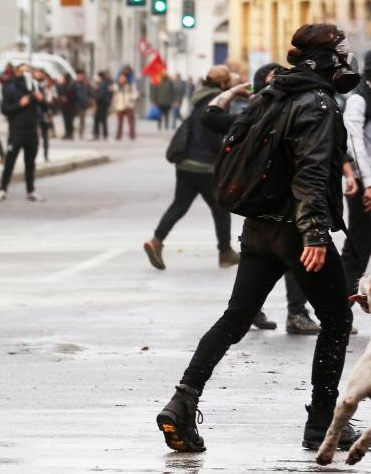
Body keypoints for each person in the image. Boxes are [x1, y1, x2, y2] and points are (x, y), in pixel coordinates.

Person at [156, 24, 361, 455]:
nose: (346, 61)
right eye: (340, 54)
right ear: (325, 61)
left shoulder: (272, 94)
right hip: (296, 230)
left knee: (235, 318)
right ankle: (323, 426)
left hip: (258, 227)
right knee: (338, 321)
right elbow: (310, 171)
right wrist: (315, 235)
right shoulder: (318, 103)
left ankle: (182, 399)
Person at [142, 66, 240, 271]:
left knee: (179, 205)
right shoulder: (217, 102)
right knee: (220, 208)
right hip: (205, 166)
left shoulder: (198, 98)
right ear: (223, 84)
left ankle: (156, 240)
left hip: (185, 164)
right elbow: (216, 136)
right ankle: (225, 253)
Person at [342, 50, 371, 297]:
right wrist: (369, 184)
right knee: (359, 248)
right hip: (365, 186)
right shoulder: (359, 99)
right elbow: (354, 143)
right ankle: (340, 311)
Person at [0, 62, 45, 202]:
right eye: (22, 71)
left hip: (31, 130)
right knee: (10, 161)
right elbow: (5, 109)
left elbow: (45, 108)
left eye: (28, 70)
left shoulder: (34, 87)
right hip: (16, 130)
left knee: (30, 162)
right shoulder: (10, 87)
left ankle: (31, 190)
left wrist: (42, 100)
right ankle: (3, 189)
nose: (26, 73)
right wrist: (19, 104)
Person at [113, 71, 137, 141]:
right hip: (120, 106)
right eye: (121, 77)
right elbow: (114, 96)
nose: (122, 79)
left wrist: (131, 98)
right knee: (119, 123)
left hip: (129, 105)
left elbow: (135, 94)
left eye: (123, 77)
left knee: (131, 122)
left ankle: (132, 136)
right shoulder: (116, 86)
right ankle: (118, 136)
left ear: (126, 78)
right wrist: (115, 104)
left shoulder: (130, 85)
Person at [92, 71, 112, 140]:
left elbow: (100, 95)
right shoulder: (106, 83)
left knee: (97, 119)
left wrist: (95, 97)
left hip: (101, 104)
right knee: (103, 120)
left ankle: (97, 134)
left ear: (100, 77)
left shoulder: (102, 84)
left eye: (97, 76)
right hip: (104, 104)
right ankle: (104, 134)